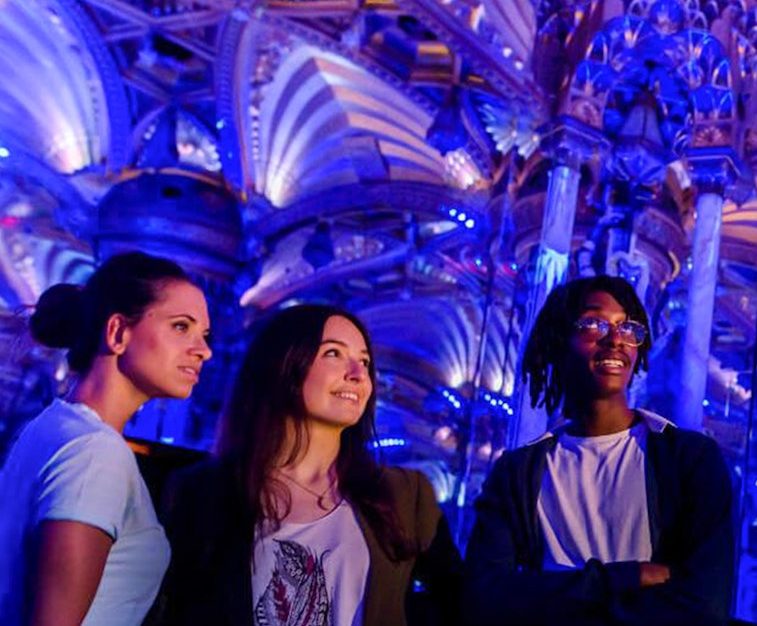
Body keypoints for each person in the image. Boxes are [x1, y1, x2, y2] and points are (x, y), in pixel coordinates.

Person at [161, 304, 462, 626]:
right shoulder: (201, 492)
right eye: (334, 353)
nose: (357, 374)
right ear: (284, 364)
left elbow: (461, 605)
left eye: (364, 361)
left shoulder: (404, 496)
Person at [464, 275, 735, 625]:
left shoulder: (690, 459)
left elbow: (705, 606)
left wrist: (554, 598)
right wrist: (623, 578)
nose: (615, 340)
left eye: (628, 328)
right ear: (560, 339)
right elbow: (483, 596)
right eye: (594, 323)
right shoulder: (519, 472)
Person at [0, 251, 213, 625]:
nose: (204, 351)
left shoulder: (54, 425)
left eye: (205, 336)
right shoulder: (96, 452)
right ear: (117, 333)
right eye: (181, 327)